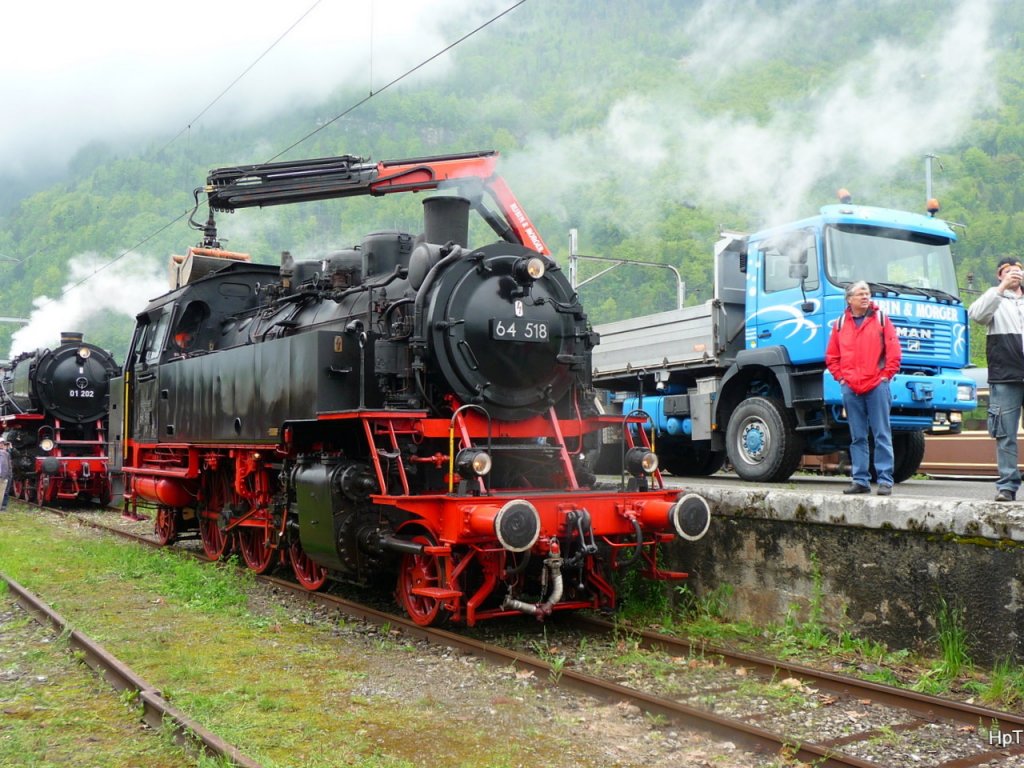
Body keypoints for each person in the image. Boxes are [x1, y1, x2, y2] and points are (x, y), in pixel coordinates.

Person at [825, 281, 902, 496]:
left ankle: (885, 480)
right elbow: (832, 356)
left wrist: (885, 377)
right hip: (851, 387)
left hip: (877, 385)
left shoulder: (880, 320)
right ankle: (860, 480)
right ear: (849, 299)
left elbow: (894, 352)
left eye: (867, 293)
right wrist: (841, 379)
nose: (865, 297)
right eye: (860, 294)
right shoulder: (840, 324)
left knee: (881, 434)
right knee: (857, 436)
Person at [967, 256, 1024, 501]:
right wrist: (1000, 290)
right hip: (1005, 376)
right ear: (999, 275)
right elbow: (976, 315)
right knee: (1005, 434)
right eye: (1008, 271)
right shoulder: (994, 297)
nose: (1014, 274)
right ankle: (1007, 486)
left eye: (1018, 270)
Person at [0, 440, 11, 510]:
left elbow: (9, 466)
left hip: (3, 476)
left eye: (2, 443)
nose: (1, 445)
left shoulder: (6, 453)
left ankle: (2, 506)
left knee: (3, 493)